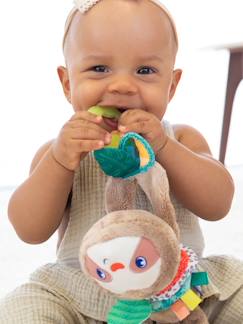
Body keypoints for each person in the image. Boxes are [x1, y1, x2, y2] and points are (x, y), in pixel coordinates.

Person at [1, 0, 243, 323]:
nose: (122, 86)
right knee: (22, 307)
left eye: (145, 71)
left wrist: (165, 148)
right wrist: (60, 162)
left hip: (177, 296)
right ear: (67, 83)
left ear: (170, 86)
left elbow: (219, 202)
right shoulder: (61, 153)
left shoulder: (182, 139)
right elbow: (29, 228)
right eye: (99, 69)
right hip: (84, 298)